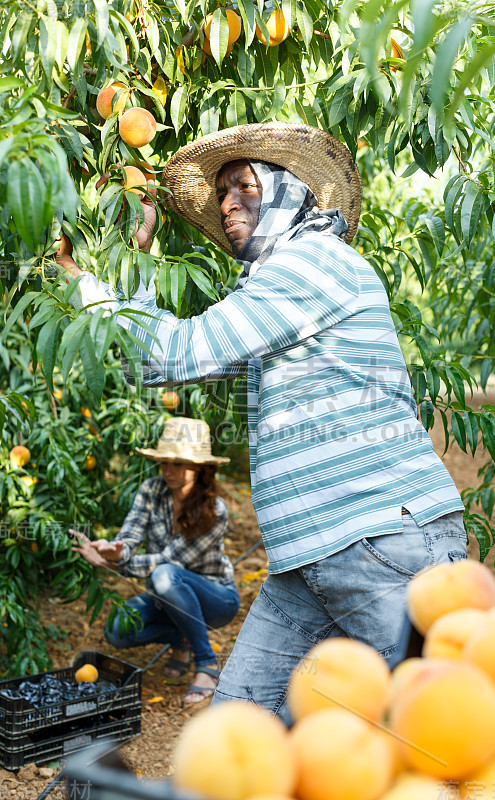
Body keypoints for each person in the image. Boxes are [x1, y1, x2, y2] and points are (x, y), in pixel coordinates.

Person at [57, 121, 467, 724]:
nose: (227, 205)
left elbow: (180, 350)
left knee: (443, 736)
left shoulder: (312, 264)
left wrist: (86, 291)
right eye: (221, 193)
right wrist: (137, 264)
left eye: (244, 186)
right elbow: (169, 362)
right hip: (314, 557)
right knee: (240, 735)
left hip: (380, 540)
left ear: (288, 190)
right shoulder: (278, 287)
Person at [70, 417, 240, 705]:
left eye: (177, 463)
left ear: (199, 467)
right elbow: (129, 538)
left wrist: (111, 564)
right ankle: (181, 639)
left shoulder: (215, 510)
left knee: (164, 575)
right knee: (117, 628)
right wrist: (113, 551)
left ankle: (207, 664)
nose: (167, 470)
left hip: (217, 598)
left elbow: (170, 561)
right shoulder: (151, 490)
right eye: (164, 462)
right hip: (167, 596)